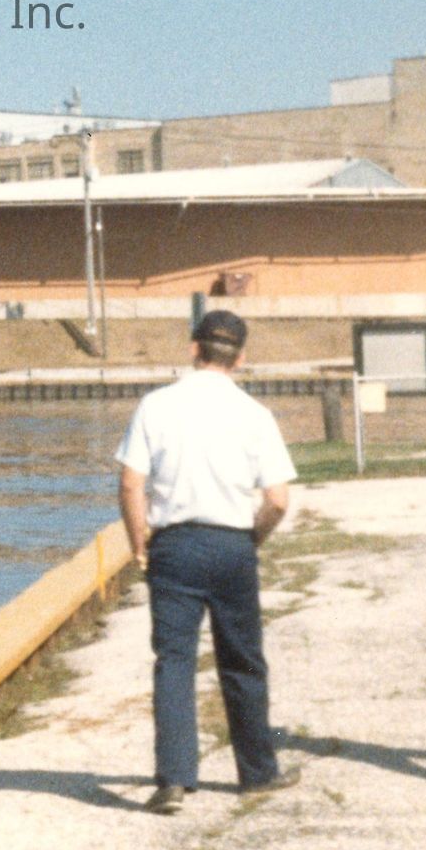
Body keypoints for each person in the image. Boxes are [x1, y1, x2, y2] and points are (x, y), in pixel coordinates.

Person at [116, 309, 300, 812]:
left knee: (174, 660)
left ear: (193, 349)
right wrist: (250, 540)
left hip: (174, 545)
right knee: (242, 660)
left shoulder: (156, 406)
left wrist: (139, 543)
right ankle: (257, 772)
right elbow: (278, 500)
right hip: (233, 543)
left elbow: (131, 483)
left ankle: (174, 780)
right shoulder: (255, 414)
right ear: (239, 358)